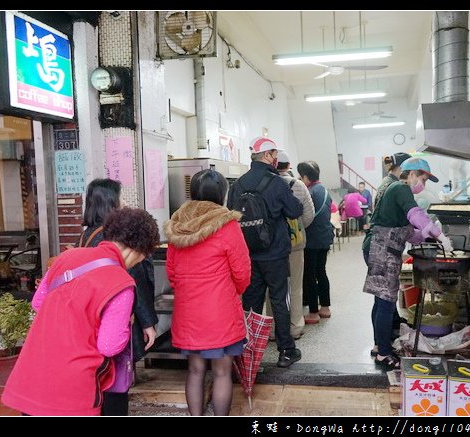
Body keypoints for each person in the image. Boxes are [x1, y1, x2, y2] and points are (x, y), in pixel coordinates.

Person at [1, 208, 160, 416]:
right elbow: (109, 345)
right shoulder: (121, 283)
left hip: (34, 374)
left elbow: (38, 303)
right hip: (73, 388)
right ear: (137, 249)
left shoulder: (67, 257)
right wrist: (125, 324)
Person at [164, 169, 251, 416]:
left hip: (188, 311)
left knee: (194, 370)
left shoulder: (176, 227)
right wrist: (234, 292)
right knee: (222, 371)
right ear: (222, 194)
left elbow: (172, 273)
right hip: (220, 311)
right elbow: (242, 272)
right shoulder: (228, 226)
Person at [363, 157, 453, 370]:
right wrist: (439, 234)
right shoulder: (401, 188)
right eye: (423, 178)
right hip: (383, 249)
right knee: (385, 302)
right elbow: (415, 215)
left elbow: (411, 234)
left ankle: (379, 346)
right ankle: (384, 353)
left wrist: (429, 233)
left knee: (381, 301)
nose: (424, 184)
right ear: (412, 174)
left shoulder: (394, 190)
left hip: (380, 247)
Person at [79, 178, 159, 416]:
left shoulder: (85, 236)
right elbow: (134, 283)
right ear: (110, 201)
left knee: (98, 377)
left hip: (91, 323)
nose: (124, 202)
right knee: (115, 378)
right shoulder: (116, 241)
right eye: (121, 197)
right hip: (115, 322)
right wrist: (148, 322)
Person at [227, 137, 303, 368]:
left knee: (251, 304)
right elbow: (294, 211)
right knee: (280, 300)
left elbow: (231, 216)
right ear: (269, 155)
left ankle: (248, 355)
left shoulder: (237, 184)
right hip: (276, 253)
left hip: (249, 254)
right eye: (274, 153)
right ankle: (286, 351)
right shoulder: (277, 182)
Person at [265, 151, 315, 340]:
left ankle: (271, 329)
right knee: (295, 286)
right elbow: (309, 215)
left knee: (272, 287)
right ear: (288, 166)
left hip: (270, 244)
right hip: (294, 244)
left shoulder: (267, 183)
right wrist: (295, 228)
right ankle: (295, 327)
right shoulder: (299, 185)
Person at [297, 161, 335, 324]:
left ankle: (313, 312)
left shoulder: (310, 191)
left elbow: (304, 215)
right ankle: (325, 307)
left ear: (306, 177)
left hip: (311, 240)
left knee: (309, 275)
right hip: (325, 238)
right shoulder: (325, 190)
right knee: (321, 271)